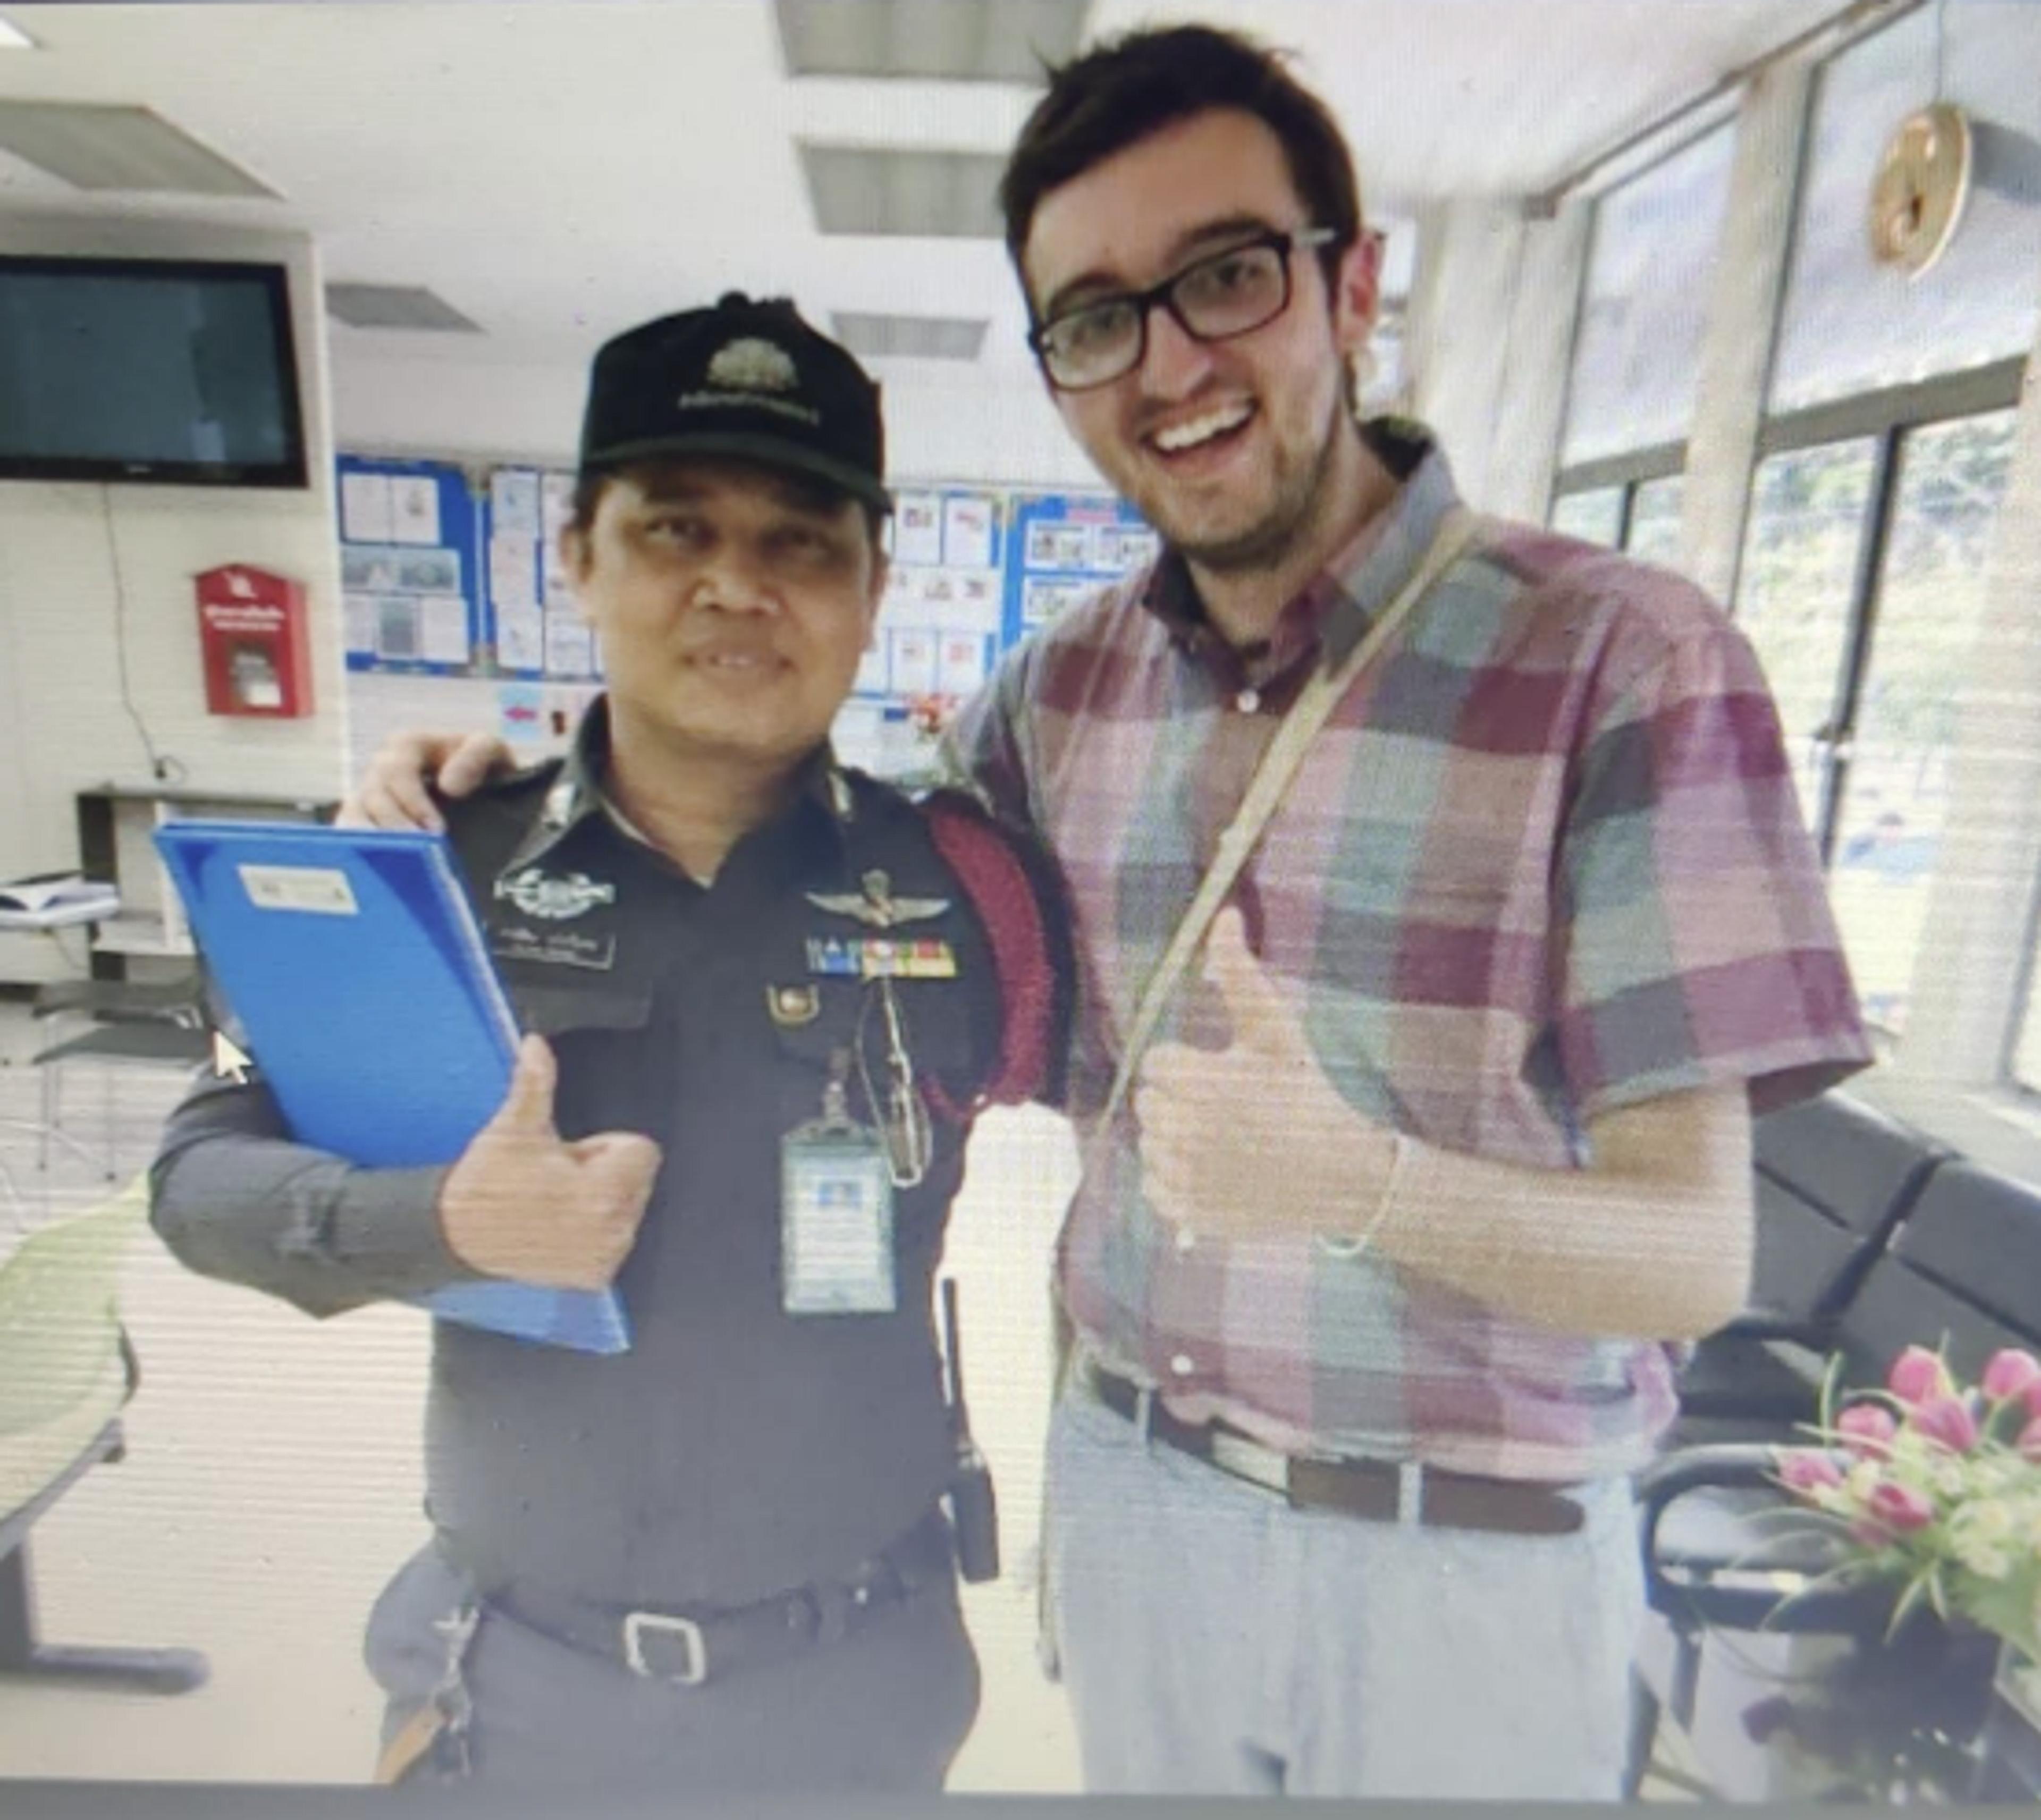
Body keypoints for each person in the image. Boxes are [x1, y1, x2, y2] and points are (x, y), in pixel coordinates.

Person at [349, 24, 1873, 1800]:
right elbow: (780, 815)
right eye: (1094, 317)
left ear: (1352, 283)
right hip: (1141, 1505)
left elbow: (1696, 1262)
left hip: (1479, 1546)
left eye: (1225, 277)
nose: (1170, 363)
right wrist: (496, 790)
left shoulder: (1622, 660)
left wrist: (1359, 1186)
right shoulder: (1048, 706)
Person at [149, 293, 1067, 1792]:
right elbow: (198, 1175)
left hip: (861, 1688)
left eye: (799, 543)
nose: (737, 588)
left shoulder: (971, 892)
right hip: (520, 1691)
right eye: (676, 530)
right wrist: (442, 1222)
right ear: (576, 553)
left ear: (872, 585)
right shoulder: (433, 861)